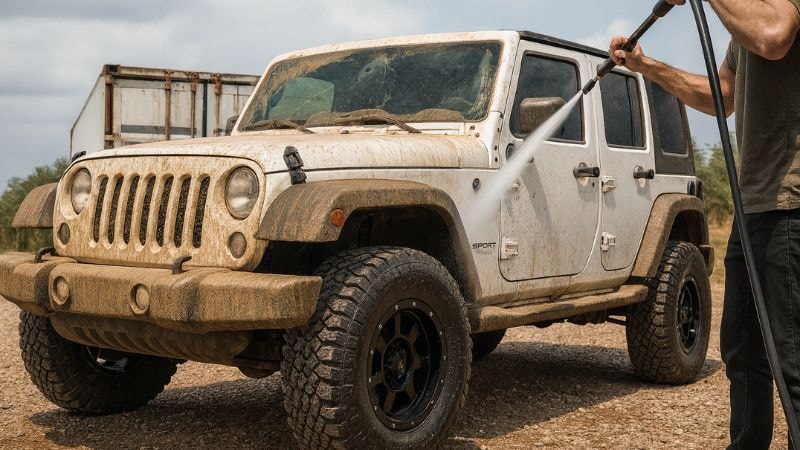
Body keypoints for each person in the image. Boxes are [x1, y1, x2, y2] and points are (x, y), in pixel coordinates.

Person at [608, 1, 800, 448]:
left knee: (791, 357)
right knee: (742, 349)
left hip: (789, 205)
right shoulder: (743, 22)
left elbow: (774, 37)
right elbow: (721, 97)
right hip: (753, 206)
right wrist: (645, 65)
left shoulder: (775, 11)